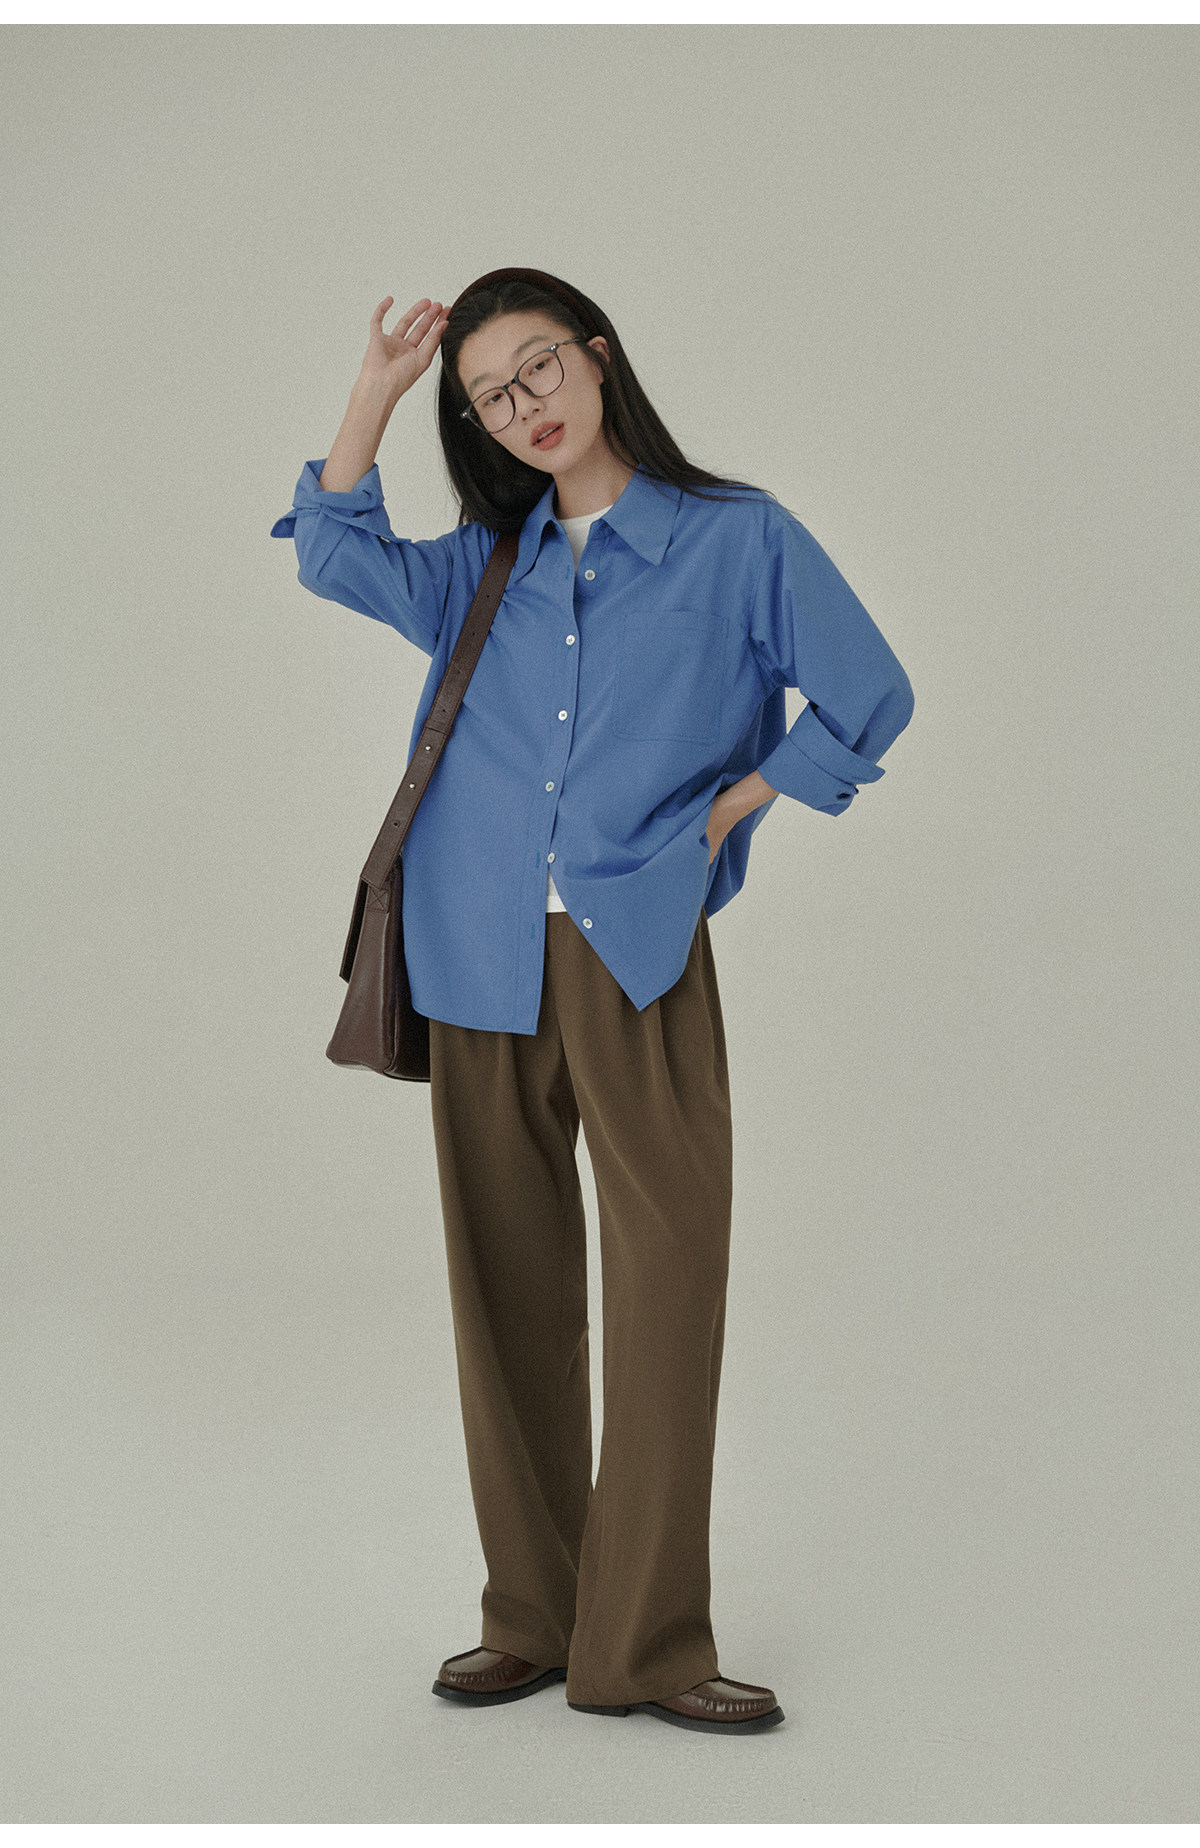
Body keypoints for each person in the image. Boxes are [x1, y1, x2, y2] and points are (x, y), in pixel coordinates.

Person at [270, 267, 914, 1736]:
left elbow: (870, 693)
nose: (526, 407)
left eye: (541, 368)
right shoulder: (480, 566)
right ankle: (534, 1617)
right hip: (475, 953)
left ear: (600, 359)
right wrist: (377, 390)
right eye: (492, 396)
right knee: (506, 1295)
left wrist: (733, 809)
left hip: (637, 952)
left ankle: (650, 1645)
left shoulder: (738, 540)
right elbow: (330, 550)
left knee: (669, 1283)